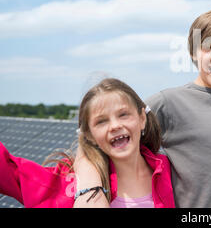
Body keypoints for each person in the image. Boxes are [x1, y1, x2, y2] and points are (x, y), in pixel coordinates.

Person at [74, 8, 211, 208]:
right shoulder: (169, 102)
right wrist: (90, 189)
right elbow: (103, 135)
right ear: (193, 52)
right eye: (209, 47)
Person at [0, 78, 175, 208]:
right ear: (89, 135)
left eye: (123, 114)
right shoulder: (69, 183)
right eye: (101, 121)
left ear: (142, 119)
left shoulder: (170, 170)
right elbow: (7, 170)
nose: (115, 126)